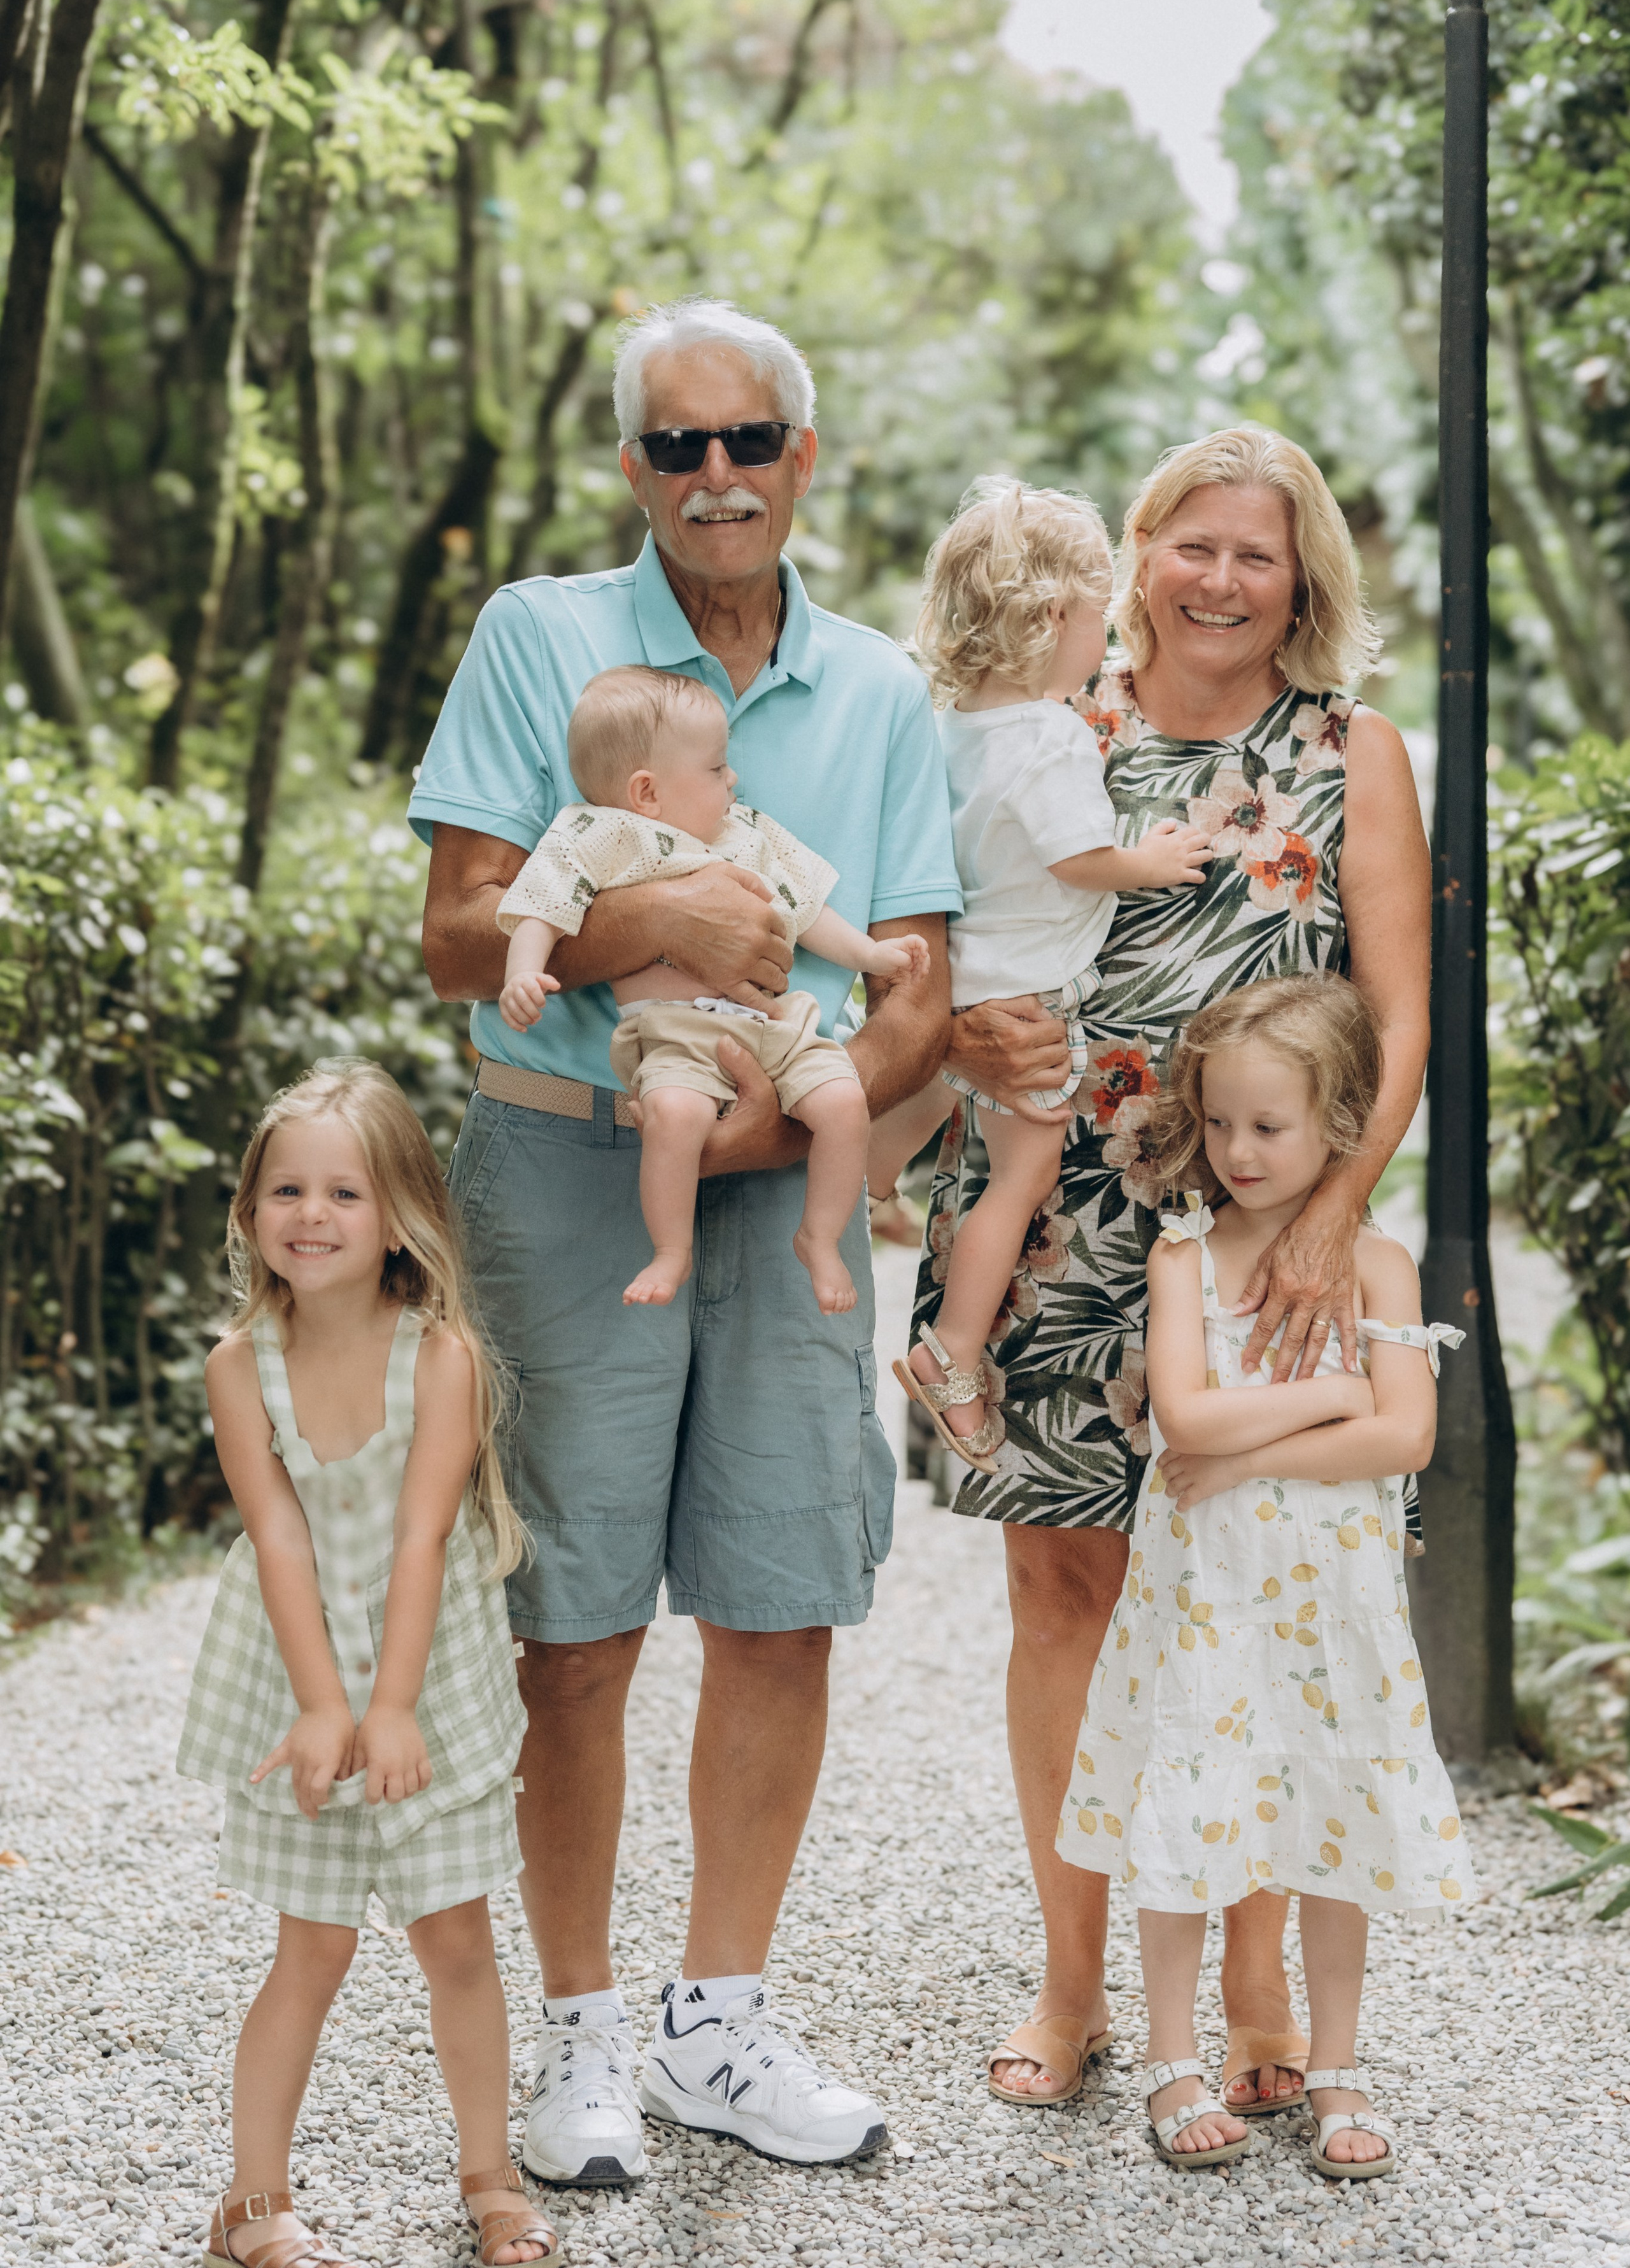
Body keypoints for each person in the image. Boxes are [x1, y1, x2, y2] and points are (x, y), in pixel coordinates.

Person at [411, 297, 960, 2182]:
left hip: (777, 1182)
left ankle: (718, 2019)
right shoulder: (540, 638)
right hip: (571, 1170)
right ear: (633, 467)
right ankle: (577, 2040)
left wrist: (762, 1121)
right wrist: (657, 933)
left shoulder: (882, 690)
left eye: (748, 443)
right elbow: (459, 930)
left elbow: (915, 984)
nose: (713, 478)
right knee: (567, 1622)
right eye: (675, 447)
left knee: (782, 1594)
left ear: (802, 460)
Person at [914, 427, 1431, 2113]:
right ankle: (1072, 1986)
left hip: (1267, 1228)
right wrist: (958, 1038)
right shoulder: (1044, 726)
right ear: (1136, 557)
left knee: (1255, 1599)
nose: (1218, 578)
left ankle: (1265, 1996)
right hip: (1050, 1207)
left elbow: (1401, 1011)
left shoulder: (1353, 750)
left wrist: (1341, 1219)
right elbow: (934, 935)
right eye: (1188, 544)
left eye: (1255, 552)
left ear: (1304, 578)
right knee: (1064, 1597)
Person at [1060, 974, 1469, 2176]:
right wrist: (1338, 1394)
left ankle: (1337, 2068)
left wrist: (1272, 1443)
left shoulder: (1379, 1267)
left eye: (1269, 1127)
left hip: (1332, 1609)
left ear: (1341, 1124)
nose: (1237, 1150)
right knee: (1190, 1812)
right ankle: (1172, 2061)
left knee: (1329, 1829)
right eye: (1222, 1121)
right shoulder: (1185, 1252)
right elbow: (1185, 1418)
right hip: (1208, 1605)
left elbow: (1405, 1438)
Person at [178, 1064, 557, 2268]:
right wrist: (325, 1704)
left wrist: (389, 1706)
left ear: (397, 1214)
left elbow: (421, 1534)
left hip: (425, 1671)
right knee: (313, 1946)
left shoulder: (436, 1354)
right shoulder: (242, 1366)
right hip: (298, 1672)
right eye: (286, 1189)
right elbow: (277, 1533)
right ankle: (252, 2200)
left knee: (456, 1938)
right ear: (250, 1214)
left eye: (345, 1190)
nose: (313, 1214)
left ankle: (490, 2174)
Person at [867, 479, 1211, 1461]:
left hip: (967, 970)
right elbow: (1076, 859)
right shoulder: (1051, 733)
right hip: (1027, 992)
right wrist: (1152, 861)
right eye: (1098, 621)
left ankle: (859, 1178)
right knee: (1019, 1180)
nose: (1105, 645)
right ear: (1048, 617)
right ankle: (954, 1355)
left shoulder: (951, 724)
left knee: (934, 1095)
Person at [498, 663, 928, 1312]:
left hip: (775, 1025)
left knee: (843, 1103)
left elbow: (807, 910)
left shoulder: (745, 832)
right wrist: (523, 972)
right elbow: (543, 905)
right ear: (646, 792)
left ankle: (820, 1236)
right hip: (676, 1034)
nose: (733, 778)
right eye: (716, 768)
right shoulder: (600, 835)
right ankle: (670, 1249)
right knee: (675, 1116)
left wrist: (872, 953)